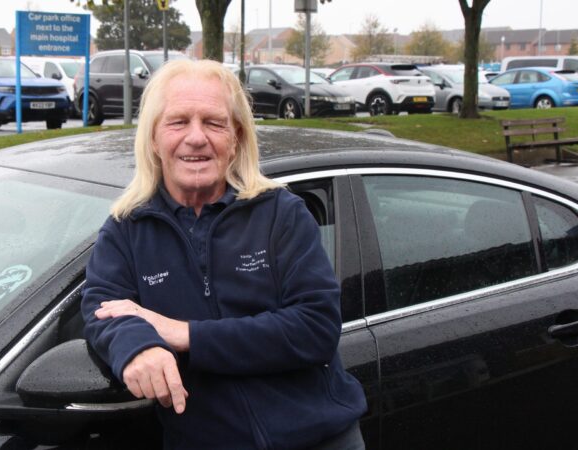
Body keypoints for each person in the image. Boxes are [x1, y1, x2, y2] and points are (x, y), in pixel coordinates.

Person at [81, 59, 367, 450]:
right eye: (178, 122)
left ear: (235, 138)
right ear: (153, 138)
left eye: (213, 123)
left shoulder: (281, 213)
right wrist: (136, 345)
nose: (196, 138)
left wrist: (184, 335)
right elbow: (103, 310)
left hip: (320, 439)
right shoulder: (126, 229)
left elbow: (315, 328)